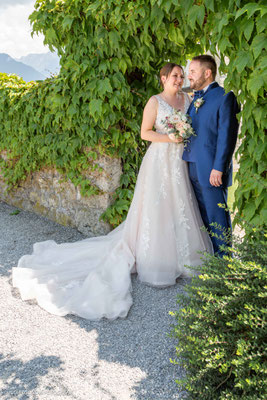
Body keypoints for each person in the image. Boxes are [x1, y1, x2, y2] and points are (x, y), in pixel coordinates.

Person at [12, 63, 212, 321]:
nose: (180, 78)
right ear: (163, 78)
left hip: (180, 162)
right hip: (159, 160)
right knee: (157, 206)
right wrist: (169, 138)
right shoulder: (155, 102)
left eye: (182, 75)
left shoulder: (186, 98)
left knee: (181, 205)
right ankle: (157, 260)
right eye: (175, 75)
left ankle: (183, 257)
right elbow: (145, 133)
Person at [183, 55, 239, 256]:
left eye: (193, 71)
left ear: (207, 73)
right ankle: (210, 259)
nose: (188, 76)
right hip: (191, 164)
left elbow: (227, 136)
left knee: (217, 216)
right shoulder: (195, 98)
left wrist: (219, 167)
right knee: (202, 215)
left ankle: (224, 263)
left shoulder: (225, 97)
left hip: (211, 169)